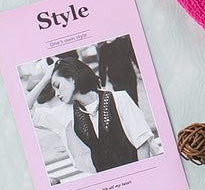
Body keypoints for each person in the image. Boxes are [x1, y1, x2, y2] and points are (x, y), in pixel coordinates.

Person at [26, 56, 155, 174]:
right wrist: (45, 79)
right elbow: (26, 113)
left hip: (136, 174)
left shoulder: (119, 99)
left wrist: (142, 176)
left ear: (72, 79)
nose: (56, 94)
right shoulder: (66, 114)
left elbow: (142, 143)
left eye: (57, 85)